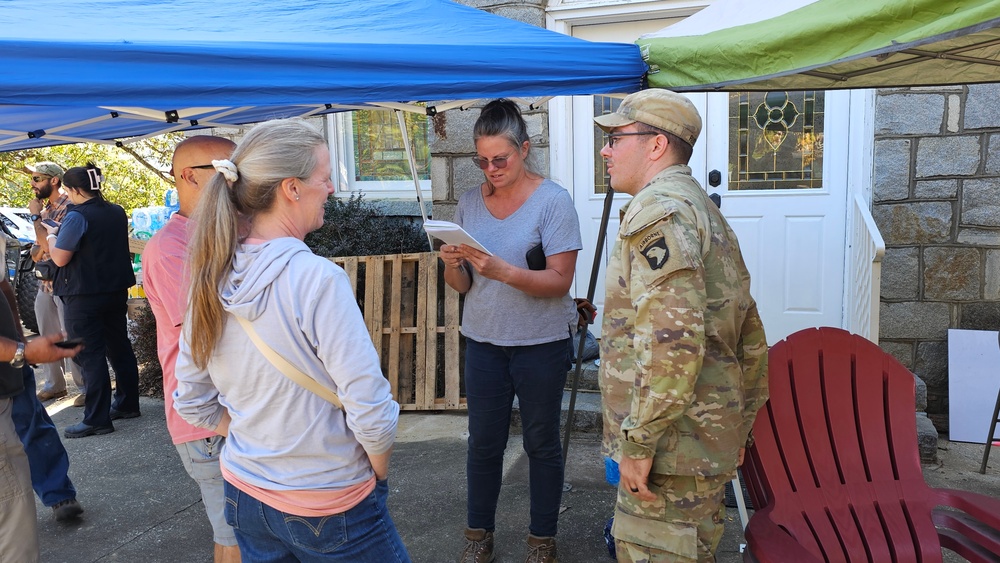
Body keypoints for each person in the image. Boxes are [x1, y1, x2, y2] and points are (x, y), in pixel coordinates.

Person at [173, 118, 409, 562]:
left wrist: (251, 436)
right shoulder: (317, 278)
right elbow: (370, 408)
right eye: (323, 177)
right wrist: (375, 473)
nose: (333, 188)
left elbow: (192, 401)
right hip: (329, 499)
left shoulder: (211, 277)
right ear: (292, 189)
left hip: (246, 496)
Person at [593, 89, 769, 563]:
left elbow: (672, 342)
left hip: (671, 452)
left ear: (655, 145)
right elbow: (749, 337)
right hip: (696, 443)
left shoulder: (660, 213)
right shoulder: (701, 209)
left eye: (616, 138)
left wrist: (639, 441)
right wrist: (739, 429)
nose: (606, 149)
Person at [440, 99, 581, 563]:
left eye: (500, 159)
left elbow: (560, 282)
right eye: (482, 160)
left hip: (541, 343)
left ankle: (542, 539)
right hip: (483, 340)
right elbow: (463, 287)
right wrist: (451, 265)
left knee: (541, 442)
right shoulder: (467, 203)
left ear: (524, 148)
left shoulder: (553, 202)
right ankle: (478, 535)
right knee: (483, 443)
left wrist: (504, 272)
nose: (490, 169)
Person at [143, 135, 240, 563]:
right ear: (188, 176)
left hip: (233, 411)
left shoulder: (226, 231)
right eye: (228, 171)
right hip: (210, 421)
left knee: (241, 537)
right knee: (237, 539)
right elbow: (209, 332)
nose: (239, 181)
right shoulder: (170, 248)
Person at [45, 163, 142, 439]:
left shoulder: (77, 216)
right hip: (114, 290)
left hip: (83, 294)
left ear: (75, 189)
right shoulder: (116, 211)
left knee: (90, 355)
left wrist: (52, 236)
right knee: (119, 346)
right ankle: (127, 403)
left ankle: (96, 418)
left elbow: (61, 257)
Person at [0, 287, 82, 562]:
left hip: (11, 365)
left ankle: (58, 492)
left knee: (32, 424)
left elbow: (3, 285)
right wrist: (20, 351)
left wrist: (18, 338)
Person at [25, 161, 81, 404]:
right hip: (45, 283)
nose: (32, 183)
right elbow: (36, 251)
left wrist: (36, 217)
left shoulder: (69, 206)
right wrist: (41, 242)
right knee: (47, 334)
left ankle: (86, 387)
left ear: (54, 180)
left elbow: (47, 247)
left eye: (37, 179)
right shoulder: (47, 209)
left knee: (71, 334)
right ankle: (55, 385)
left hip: (65, 282)